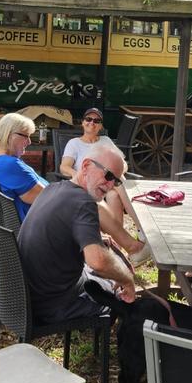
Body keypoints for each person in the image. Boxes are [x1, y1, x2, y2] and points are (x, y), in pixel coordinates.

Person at [19, 142, 136, 322]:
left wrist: (96, 240)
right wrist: (127, 279)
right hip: (53, 305)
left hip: (25, 297)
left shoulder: (53, 188)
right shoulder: (83, 203)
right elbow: (98, 262)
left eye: (117, 180)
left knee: (108, 276)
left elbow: (61, 233)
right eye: (108, 175)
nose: (111, 184)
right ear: (86, 165)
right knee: (115, 290)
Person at [60, 107, 150, 265]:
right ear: (82, 122)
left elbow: (121, 163)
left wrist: (118, 172)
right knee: (119, 185)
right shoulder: (74, 144)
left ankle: (119, 249)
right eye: (88, 119)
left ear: (101, 126)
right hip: (90, 184)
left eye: (97, 121)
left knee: (115, 194)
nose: (92, 123)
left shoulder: (106, 141)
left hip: (109, 183)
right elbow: (64, 167)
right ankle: (143, 229)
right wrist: (78, 176)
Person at [0, 112, 48, 221]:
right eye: (26, 136)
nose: (29, 142)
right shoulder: (9, 165)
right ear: (10, 135)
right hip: (34, 226)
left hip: (14, 226)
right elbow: (47, 199)